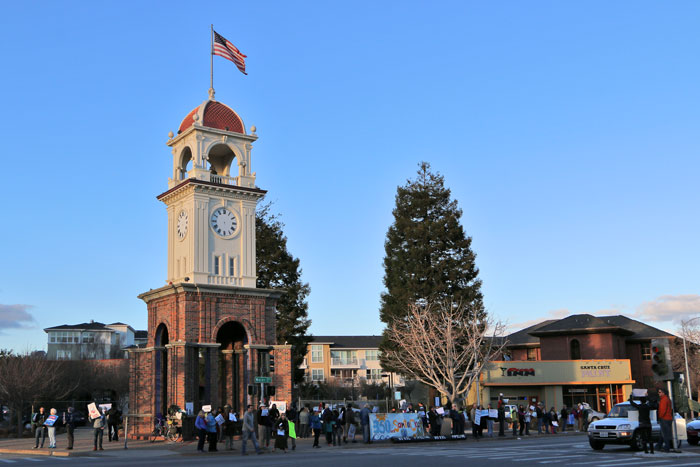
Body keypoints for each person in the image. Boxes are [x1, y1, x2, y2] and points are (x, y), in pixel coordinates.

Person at [657, 388, 673, 452]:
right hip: (668, 418)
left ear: (663, 393)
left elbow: (663, 410)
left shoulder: (664, 400)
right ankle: (658, 446)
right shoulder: (667, 399)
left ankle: (667, 447)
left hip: (664, 419)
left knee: (665, 434)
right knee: (663, 433)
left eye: (660, 392)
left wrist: (660, 417)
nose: (659, 393)